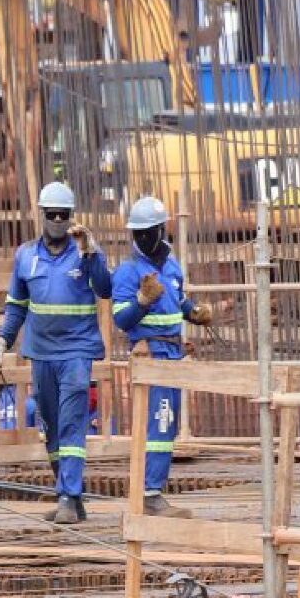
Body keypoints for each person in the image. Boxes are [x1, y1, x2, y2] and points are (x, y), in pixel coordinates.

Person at [0, 181, 111, 524]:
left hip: (76, 352)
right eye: (51, 214)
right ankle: (71, 495)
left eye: (62, 215)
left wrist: (92, 253)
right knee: (52, 428)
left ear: (71, 216)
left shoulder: (85, 252)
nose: (57, 219)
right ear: (42, 215)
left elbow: (106, 289)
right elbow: (16, 306)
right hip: (40, 353)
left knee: (71, 424)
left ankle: (67, 497)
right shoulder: (26, 255)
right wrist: (1, 342)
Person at [112, 196, 214, 517]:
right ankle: (150, 493)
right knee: (160, 421)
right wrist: (141, 300)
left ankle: (152, 489)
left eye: (148, 231)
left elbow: (179, 299)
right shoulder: (129, 272)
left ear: (160, 229)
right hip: (150, 355)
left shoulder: (172, 267)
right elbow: (121, 319)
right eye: (137, 233)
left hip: (172, 353)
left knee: (167, 425)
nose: (142, 238)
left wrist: (193, 312)